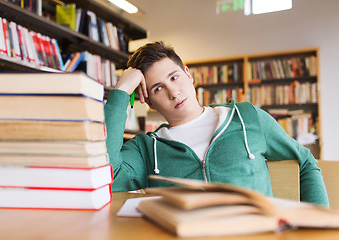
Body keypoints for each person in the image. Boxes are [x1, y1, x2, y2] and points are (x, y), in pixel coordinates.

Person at [104, 41, 329, 207]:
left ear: (188, 75)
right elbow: (107, 179)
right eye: (158, 88)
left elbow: (306, 162)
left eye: (174, 77)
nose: (173, 92)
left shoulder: (246, 117)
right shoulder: (145, 148)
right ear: (149, 102)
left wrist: (316, 228)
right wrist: (121, 91)